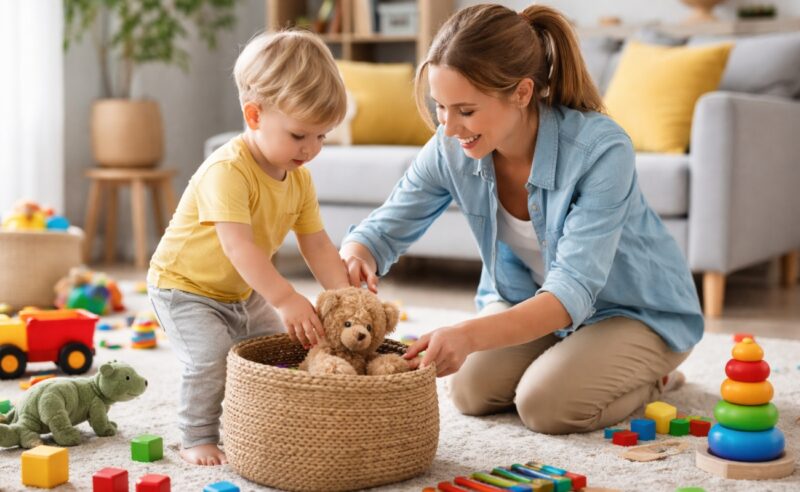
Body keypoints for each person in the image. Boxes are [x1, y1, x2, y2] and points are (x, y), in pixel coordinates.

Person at [340, 4, 704, 434]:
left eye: (466, 110)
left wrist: (469, 335)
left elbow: (572, 291)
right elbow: (383, 229)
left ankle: (655, 378)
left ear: (522, 93)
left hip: (633, 311)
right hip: (532, 301)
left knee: (545, 407)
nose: (450, 127)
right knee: (470, 392)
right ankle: (570, 359)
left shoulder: (601, 151)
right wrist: (357, 254)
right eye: (440, 107)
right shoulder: (451, 146)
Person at [147, 30, 351, 465]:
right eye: (300, 135)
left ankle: (264, 421)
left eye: (322, 137)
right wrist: (286, 297)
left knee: (274, 352)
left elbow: (316, 244)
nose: (311, 149)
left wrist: (345, 298)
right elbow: (238, 248)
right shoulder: (228, 170)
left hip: (241, 291)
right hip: (184, 288)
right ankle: (197, 435)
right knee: (210, 358)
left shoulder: (298, 178)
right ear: (255, 115)